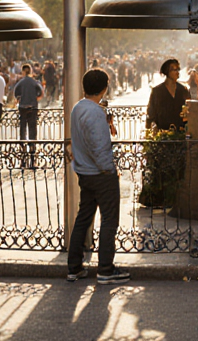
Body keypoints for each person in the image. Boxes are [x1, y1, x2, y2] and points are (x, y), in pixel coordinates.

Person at [66, 69, 130, 285]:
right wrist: (110, 170)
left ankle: (74, 267)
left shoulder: (78, 108)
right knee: (109, 220)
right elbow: (100, 147)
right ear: (104, 88)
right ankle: (105, 269)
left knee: (83, 219)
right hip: (101, 175)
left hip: (84, 172)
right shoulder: (95, 113)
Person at [146, 59, 189, 132]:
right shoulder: (157, 91)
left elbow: (189, 108)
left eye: (178, 69)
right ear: (167, 72)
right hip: (163, 133)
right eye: (174, 70)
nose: (177, 72)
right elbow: (151, 111)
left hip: (180, 131)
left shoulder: (183, 90)